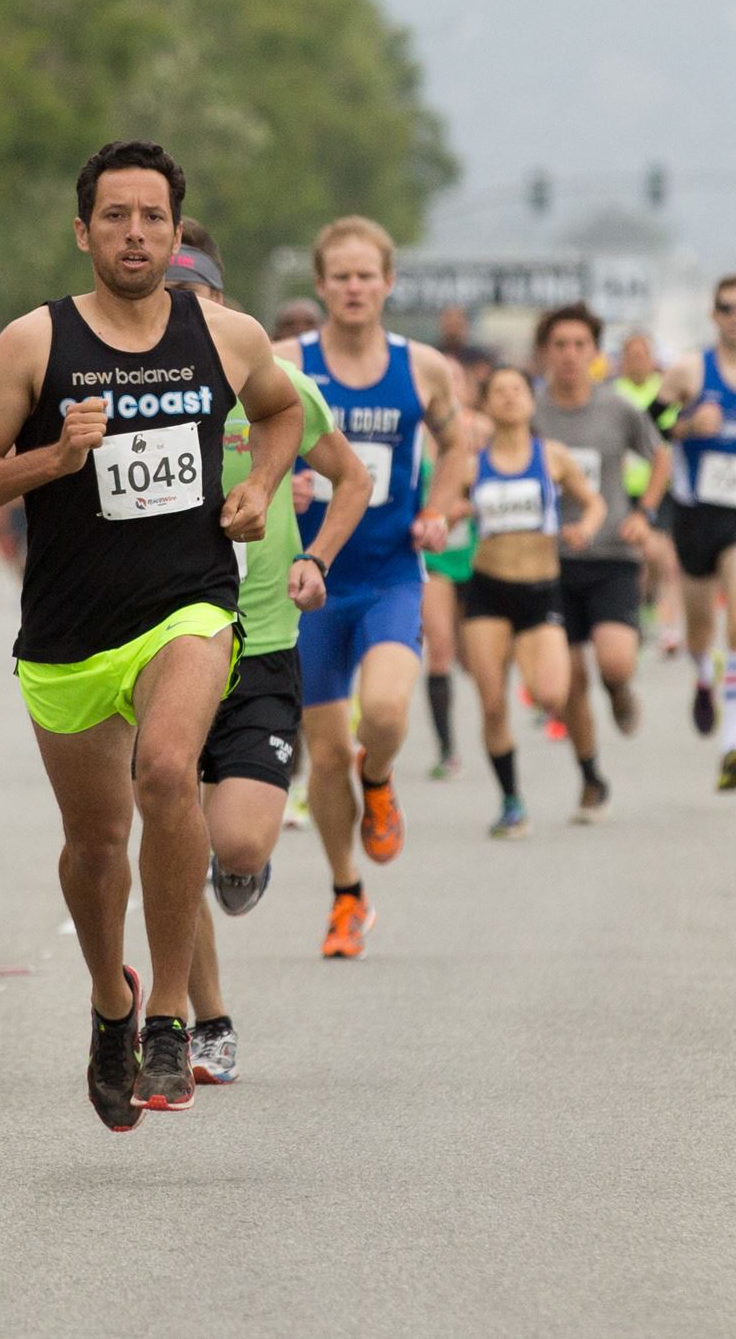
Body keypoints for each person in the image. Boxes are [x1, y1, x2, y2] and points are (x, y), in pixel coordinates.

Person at [0, 140, 301, 1130]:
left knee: (169, 768)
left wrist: (260, 485)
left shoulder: (224, 336)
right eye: (114, 216)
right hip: (65, 636)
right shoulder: (32, 344)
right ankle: (112, 1003)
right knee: (94, 847)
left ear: (175, 231)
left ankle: (173, 1015)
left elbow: (278, 413)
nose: (134, 233)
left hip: (186, 608)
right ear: (82, 230)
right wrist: (53, 457)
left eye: (152, 218)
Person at [162, 220, 370, 1086]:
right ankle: (204, 1018)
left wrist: (316, 556)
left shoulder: (273, 383)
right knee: (175, 827)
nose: (181, 314)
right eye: (167, 299)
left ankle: (231, 857)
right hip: (159, 637)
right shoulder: (122, 388)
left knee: (238, 846)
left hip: (262, 640)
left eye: (195, 298)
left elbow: (352, 476)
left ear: (223, 301)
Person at [276, 216, 464, 960]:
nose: (355, 287)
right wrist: (274, 480)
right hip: (312, 580)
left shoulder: (422, 367)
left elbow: (457, 443)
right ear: (321, 285)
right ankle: (346, 891)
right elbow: (237, 437)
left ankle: (379, 777)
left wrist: (440, 507)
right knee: (322, 759)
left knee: (383, 713)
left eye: (367, 275)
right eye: (341, 276)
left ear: (388, 282)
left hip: (388, 571)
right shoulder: (284, 359)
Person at [434, 365, 603, 836]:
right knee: (492, 706)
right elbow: (438, 517)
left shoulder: (552, 457)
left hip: (541, 590)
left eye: (517, 390)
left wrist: (585, 530)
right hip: (488, 591)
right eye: (499, 392)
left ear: (532, 401)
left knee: (552, 694)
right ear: (486, 404)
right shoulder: (471, 465)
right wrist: (452, 515)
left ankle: (590, 774)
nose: (508, 398)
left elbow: (594, 503)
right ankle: (512, 802)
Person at [533, 303, 668, 822]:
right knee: (568, 680)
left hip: (612, 553)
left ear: (594, 354)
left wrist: (646, 513)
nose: (569, 355)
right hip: (548, 561)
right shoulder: (530, 413)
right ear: (546, 353)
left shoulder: (617, 409)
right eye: (559, 345)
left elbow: (660, 456)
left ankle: (621, 690)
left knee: (614, 660)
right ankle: (591, 777)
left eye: (579, 345)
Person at [658, 274, 736, 793]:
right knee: (700, 628)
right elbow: (650, 424)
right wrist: (686, 426)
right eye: (727, 308)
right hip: (695, 515)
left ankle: (734, 744)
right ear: (714, 315)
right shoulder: (691, 369)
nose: (735, 317)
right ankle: (704, 677)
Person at [417, 357, 487, 782]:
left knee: (474, 655)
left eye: (457, 377)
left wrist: (470, 506)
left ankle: (498, 722)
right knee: (440, 648)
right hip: (435, 556)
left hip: (480, 554)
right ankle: (447, 748)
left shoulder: (486, 430)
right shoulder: (417, 435)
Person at [610, 329, 685, 653]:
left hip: (661, 486)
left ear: (653, 359)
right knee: (638, 559)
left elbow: (677, 429)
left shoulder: (664, 391)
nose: (637, 361)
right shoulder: (613, 394)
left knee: (663, 558)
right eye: (631, 356)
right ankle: (637, 615)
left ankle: (669, 625)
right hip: (621, 488)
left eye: (643, 355)